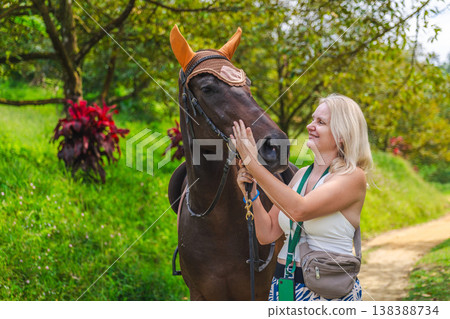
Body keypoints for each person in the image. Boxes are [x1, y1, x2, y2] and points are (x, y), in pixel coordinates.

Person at [230, 93, 373, 301]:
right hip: (284, 286)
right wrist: (251, 193)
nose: (309, 126)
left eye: (321, 122)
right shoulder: (300, 175)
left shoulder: (352, 177)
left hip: (327, 291)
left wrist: (253, 162)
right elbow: (267, 233)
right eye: (313, 119)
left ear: (342, 134)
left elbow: (300, 210)